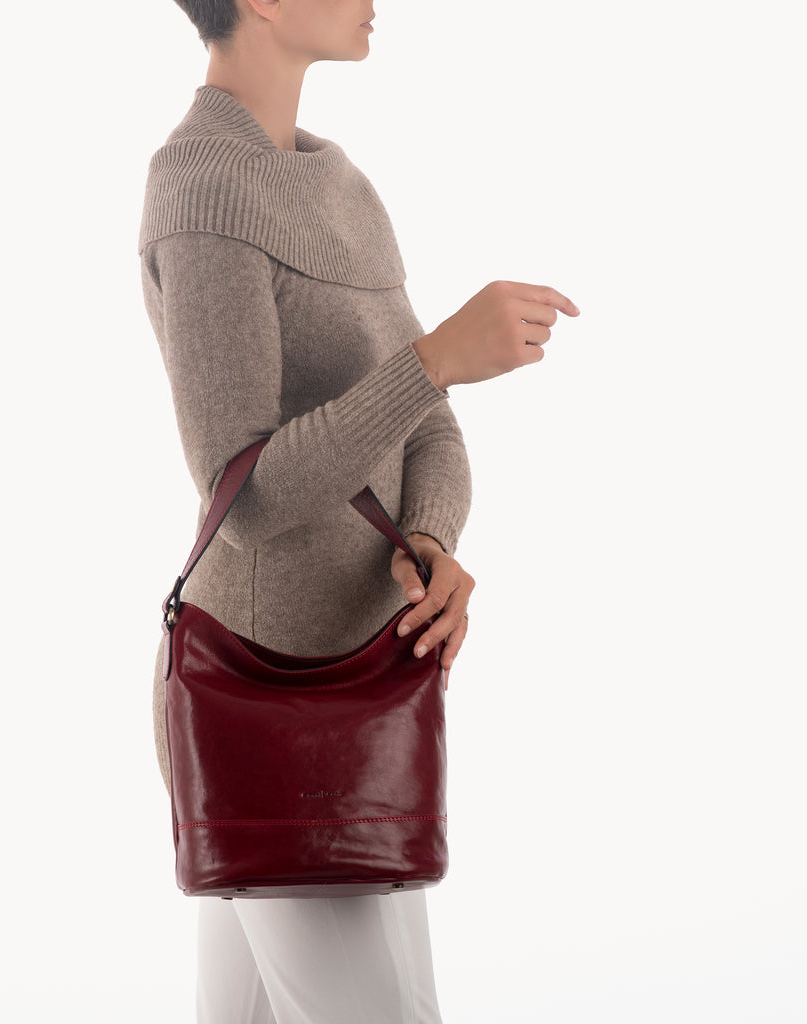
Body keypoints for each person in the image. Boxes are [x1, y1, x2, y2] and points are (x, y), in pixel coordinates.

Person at [138, 2, 580, 1020]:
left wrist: (427, 540)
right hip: (262, 697)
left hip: (364, 698)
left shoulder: (341, 184)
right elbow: (242, 494)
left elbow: (424, 427)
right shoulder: (199, 184)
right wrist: (434, 359)